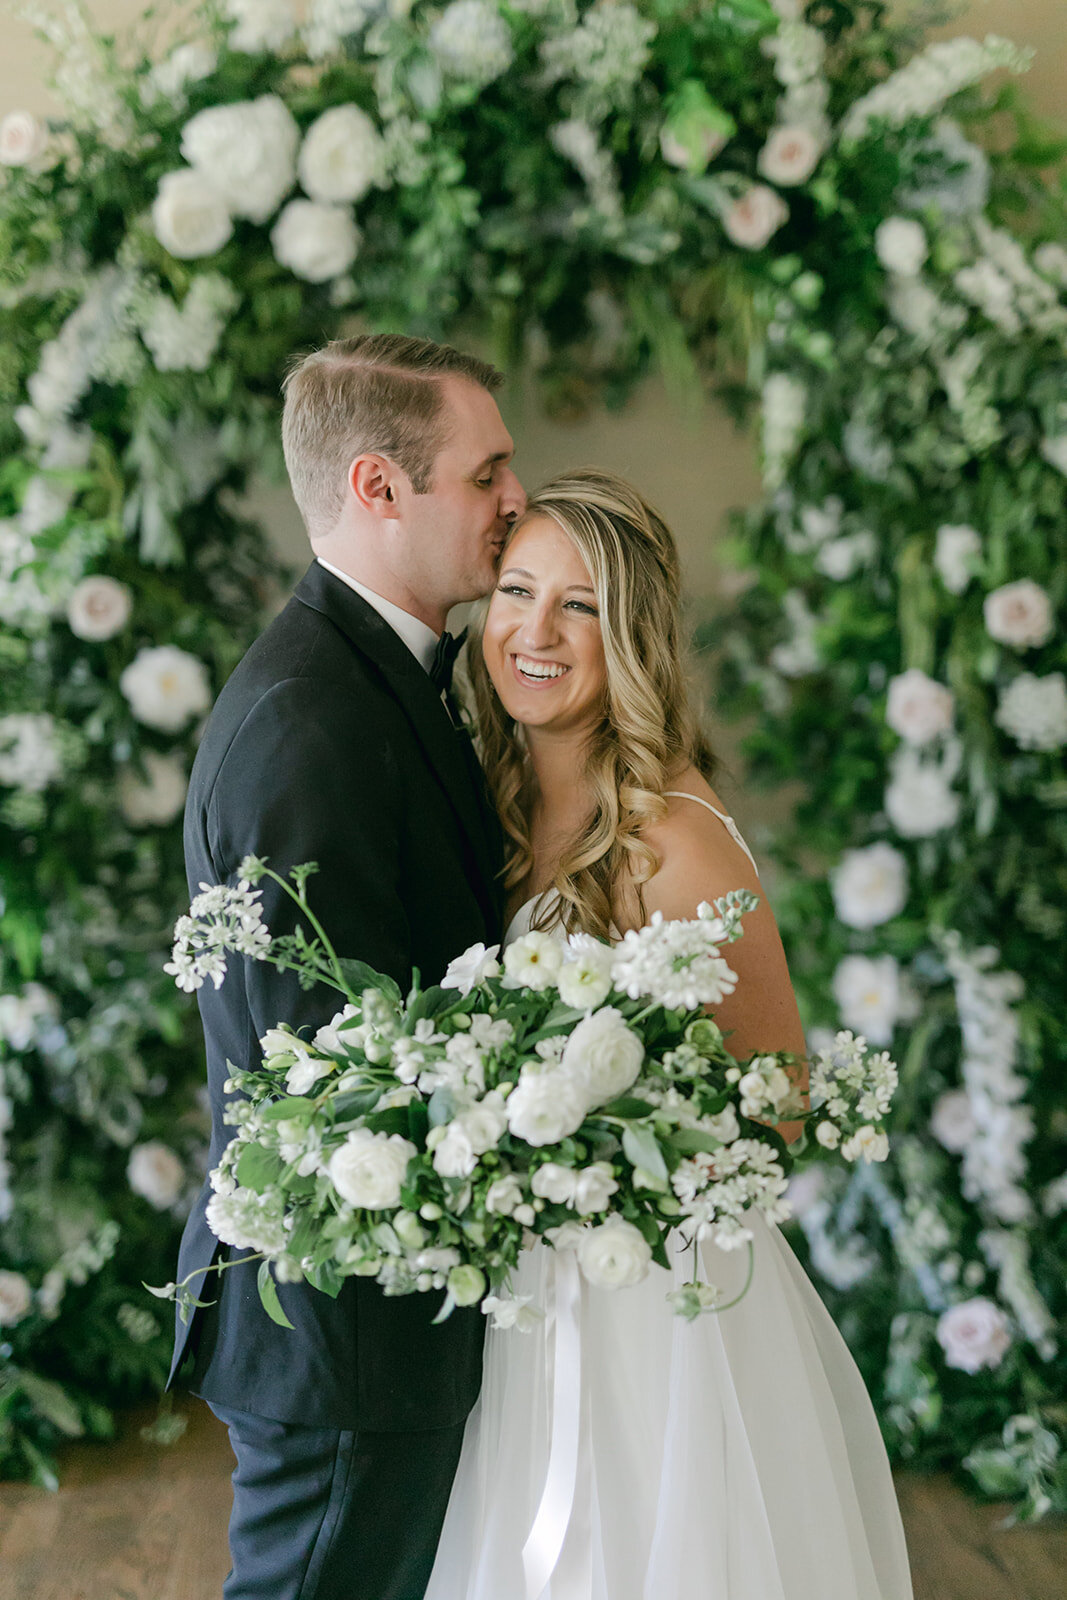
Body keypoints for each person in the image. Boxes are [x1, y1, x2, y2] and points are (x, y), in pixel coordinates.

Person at [425, 469, 914, 1599]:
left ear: (631, 633)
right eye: (514, 591)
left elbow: (778, 1097)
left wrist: (598, 1150)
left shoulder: (677, 843)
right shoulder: (489, 795)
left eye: (579, 606)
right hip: (522, 1293)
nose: (533, 632)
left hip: (656, 1315)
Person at [167, 333, 525, 1600]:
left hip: (380, 1322)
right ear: (380, 488)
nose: (514, 503)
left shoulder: (379, 678)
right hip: (344, 1326)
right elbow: (316, 1064)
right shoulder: (309, 721)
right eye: (486, 475)